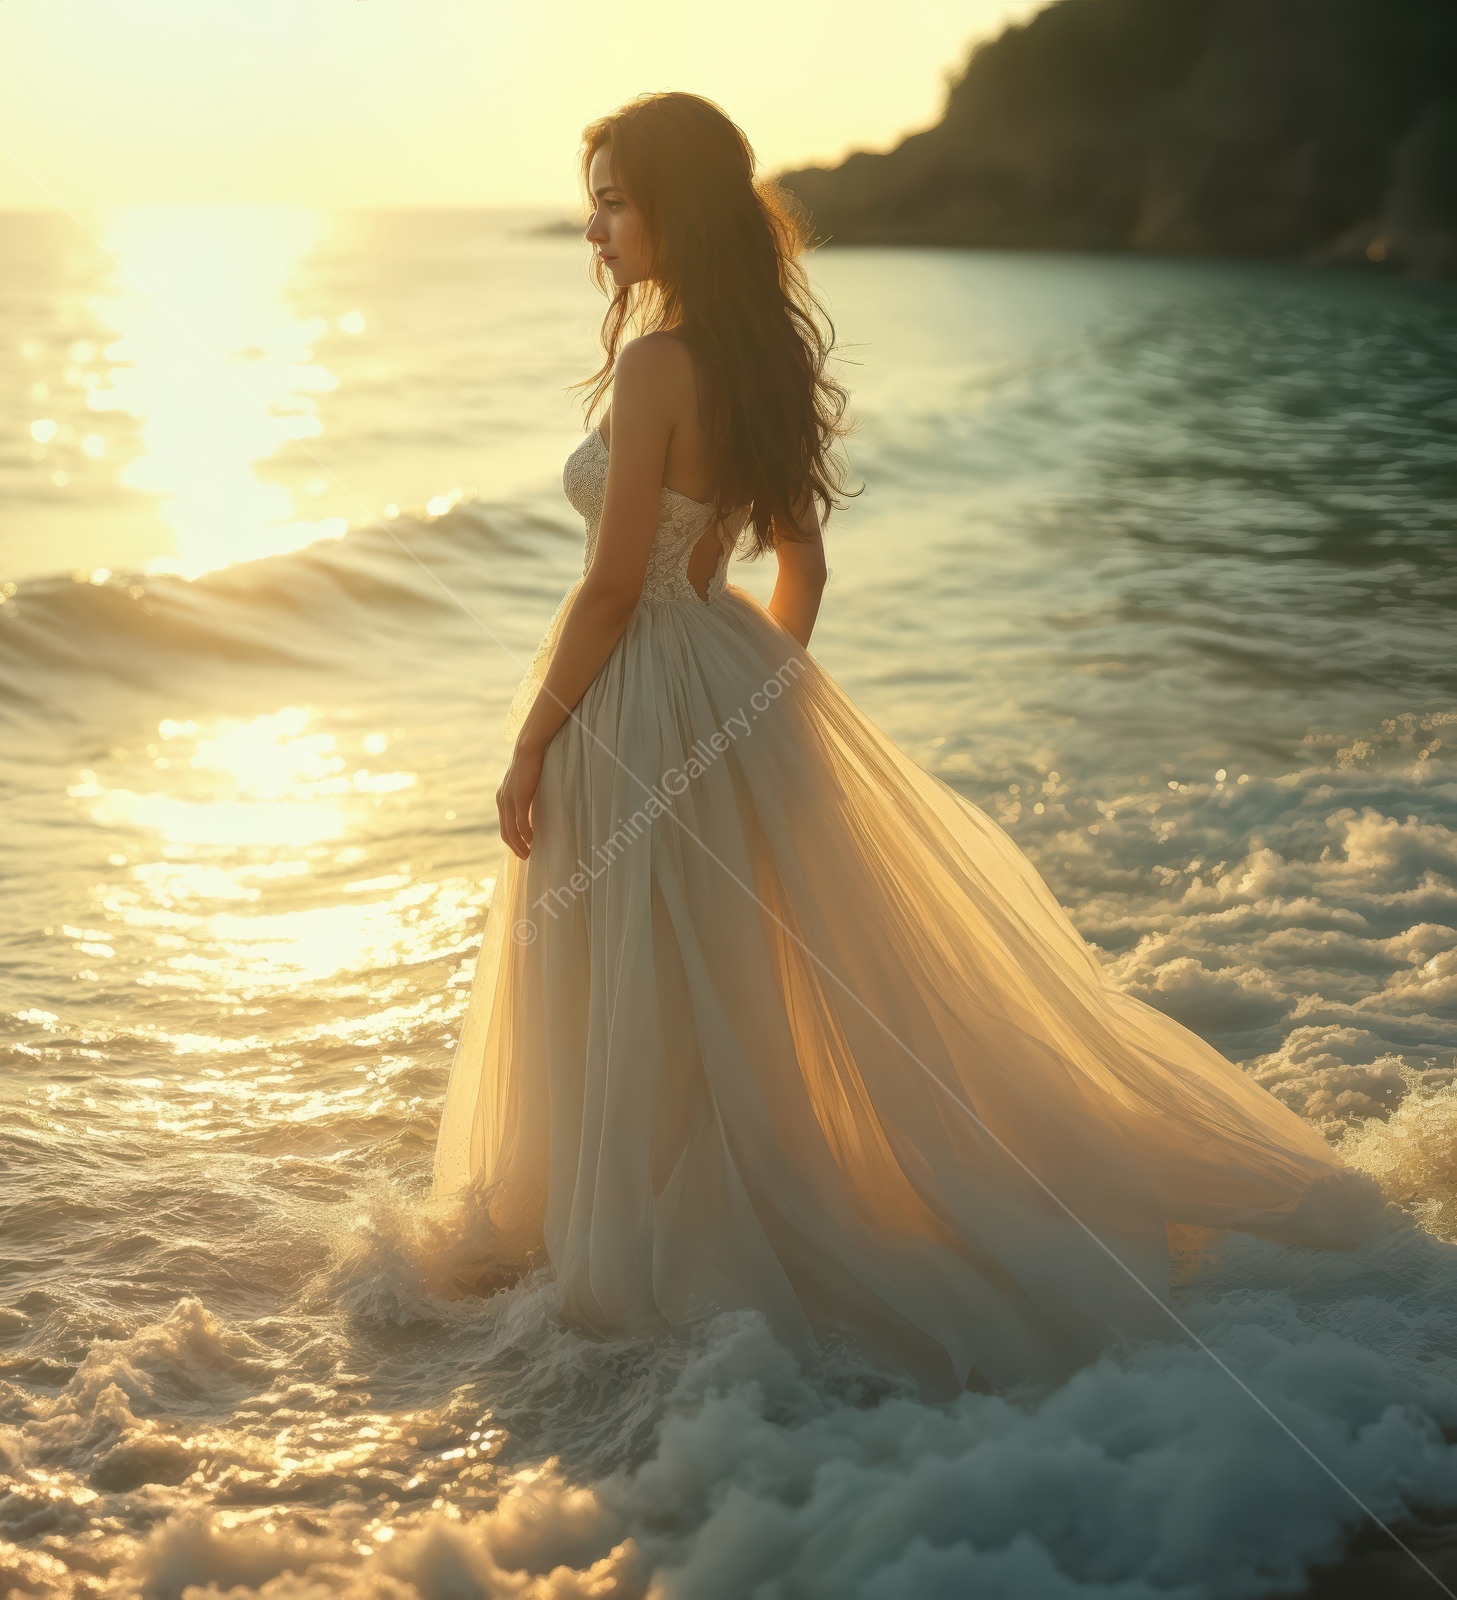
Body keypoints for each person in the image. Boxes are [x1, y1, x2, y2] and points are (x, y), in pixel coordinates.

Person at [432, 91, 1386, 1397]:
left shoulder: (655, 367)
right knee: (719, 981)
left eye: (613, 198)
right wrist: (760, 703)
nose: (594, 226)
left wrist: (532, 743)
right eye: (590, 197)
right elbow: (802, 569)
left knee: (632, 967)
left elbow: (607, 591)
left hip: (636, 697)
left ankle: (648, 1244)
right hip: (719, 677)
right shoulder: (754, 356)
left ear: (676, 207)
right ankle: (709, 1211)